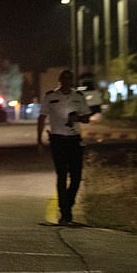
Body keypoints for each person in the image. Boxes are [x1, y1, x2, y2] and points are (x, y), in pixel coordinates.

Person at [37, 69, 91, 225]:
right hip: (58, 140)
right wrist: (39, 140)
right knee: (61, 175)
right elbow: (42, 117)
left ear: (72, 81)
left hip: (74, 140)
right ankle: (65, 212)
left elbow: (87, 118)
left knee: (76, 177)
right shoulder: (51, 97)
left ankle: (68, 203)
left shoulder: (78, 97)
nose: (67, 81)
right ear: (59, 80)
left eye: (70, 78)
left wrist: (78, 117)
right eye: (64, 78)